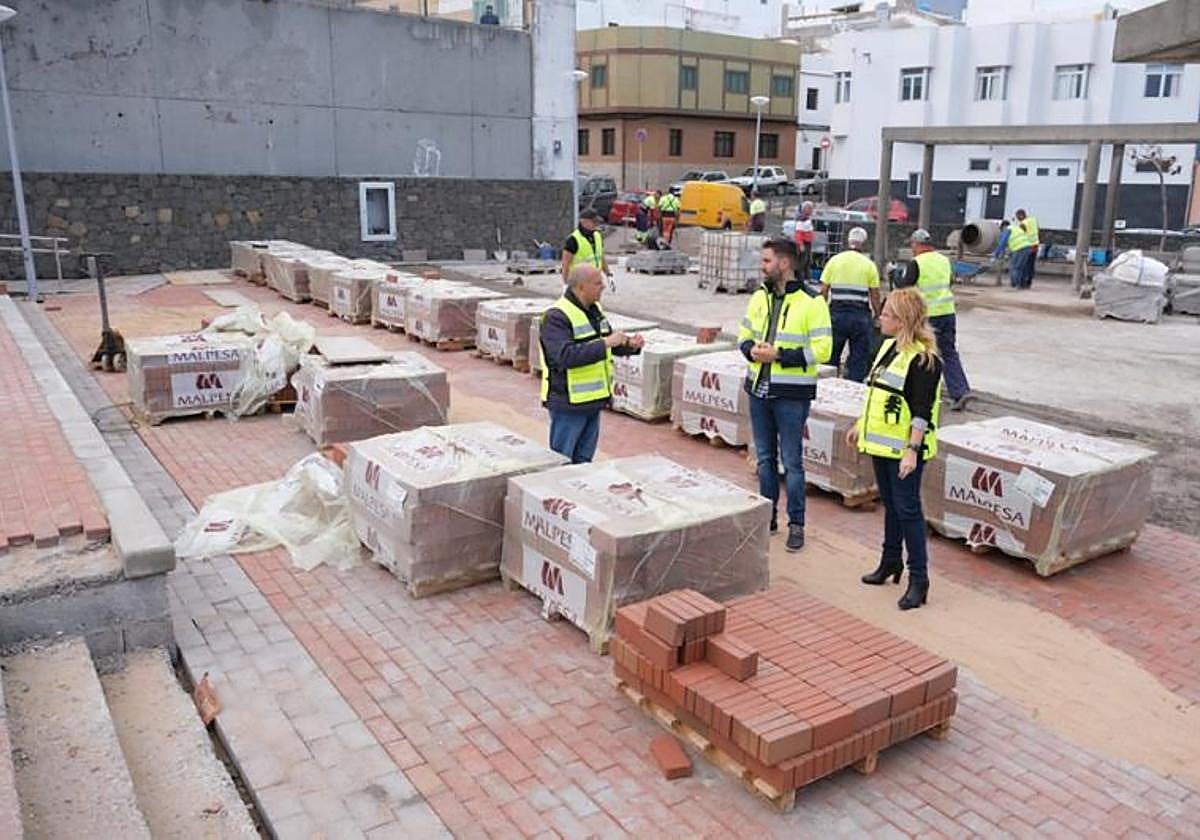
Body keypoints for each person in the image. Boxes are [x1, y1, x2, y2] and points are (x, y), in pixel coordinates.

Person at [846, 287, 943, 610]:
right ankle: (890, 562)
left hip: (904, 451)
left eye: (886, 314)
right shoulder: (888, 347)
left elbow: (921, 410)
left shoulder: (924, 360)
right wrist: (860, 424)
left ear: (902, 321)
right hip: (880, 445)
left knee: (908, 510)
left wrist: (912, 450)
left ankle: (919, 579)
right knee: (890, 504)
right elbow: (876, 392)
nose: (879, 318)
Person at [738, 238, 832, 551]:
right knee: (765, 459)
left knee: (792, 462)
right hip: (758, 389)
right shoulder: (759, 297)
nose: (761, 266)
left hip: (792, 394)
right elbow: (744, 335)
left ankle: (797, 524)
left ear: (784, 263)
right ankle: (768, 517)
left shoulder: (812, 301)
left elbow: (823, 350)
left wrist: (778, 355)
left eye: (766, 261)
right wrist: (752, 351)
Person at [539, 266, 644, 463]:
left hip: (592, 401)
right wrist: (607, 342)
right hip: (568, 403)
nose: (603, 287)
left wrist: (630, 345)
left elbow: (607, 344)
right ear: (581, 287)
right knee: (561, 460)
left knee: (584, 460)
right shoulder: (556, 317)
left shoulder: (594, 311)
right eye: (597, 283)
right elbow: (563, 357)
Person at [897, 229, 972, 411]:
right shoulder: (944, 260)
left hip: (928, 315)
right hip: (948, 312)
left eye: (912, 245)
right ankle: (960, 391)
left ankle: (920, 392)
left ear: (917, 244)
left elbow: (905, 286)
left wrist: (895, 276)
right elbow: (949, 283)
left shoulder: (917, 263)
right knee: (948, 352)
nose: (912, 248)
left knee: (921, 353)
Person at [819, 226, 881, 382]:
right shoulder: (869, 265)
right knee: (859, 359)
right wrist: (878, 315)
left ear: (848, 241)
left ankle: (828, 388)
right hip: (860, 316)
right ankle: (853, 389)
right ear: (864, 243)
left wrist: (821, 313)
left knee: (830, 356)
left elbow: (824, 291)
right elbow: (874, 296)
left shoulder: (834, 261)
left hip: (836, 315)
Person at [560, 210, 613, 285]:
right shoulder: (573, 239)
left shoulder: (597, 235)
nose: (596, 224)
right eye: (594, 222)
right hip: (579, 281)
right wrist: (565, 284)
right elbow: (565, 264)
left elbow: (600, 257)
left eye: (597, 222)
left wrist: (608, 274)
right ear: (583, 222)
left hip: (594, 279)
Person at [1007, 208, 1039, 289]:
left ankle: (1021, 283)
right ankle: (1028, 282)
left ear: (1021, 215)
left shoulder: (1023, 224)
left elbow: (1021, 234)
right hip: (1035, 245)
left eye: (1017, 216)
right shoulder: (1033, 220)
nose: (1017, 218)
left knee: (1023, 266)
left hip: (1026, 246)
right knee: (1031, 265)